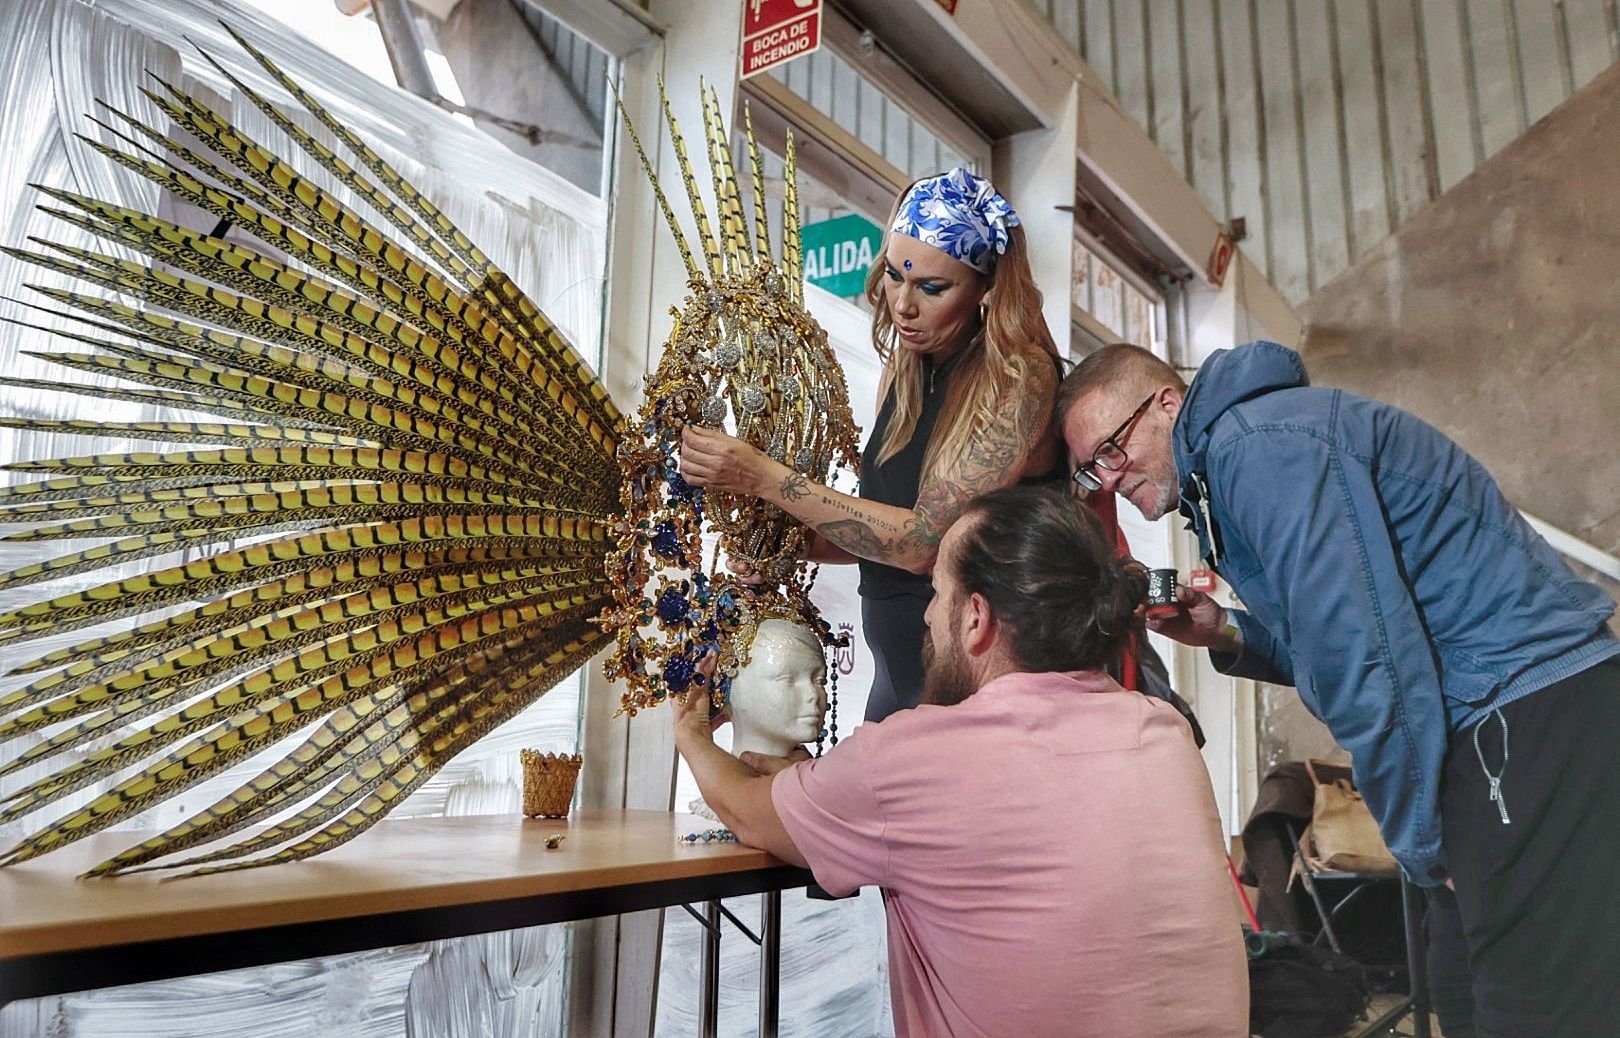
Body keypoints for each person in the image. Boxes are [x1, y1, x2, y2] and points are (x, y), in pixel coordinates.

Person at [1057, 340, 1620, 1037]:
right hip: (1491, 725)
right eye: (1090, 469)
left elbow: (1368, 663)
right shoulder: (1230, 470)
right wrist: (1227, 634)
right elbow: (1340, 640)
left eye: (1111, 449)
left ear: (1167, 403)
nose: (1107, 479)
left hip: (1524, 718)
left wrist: (1421, 844)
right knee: (1460, 989)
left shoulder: (1257, 451)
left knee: (1534, 1011)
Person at [671, 484, 1248, 1038]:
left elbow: (749, 813)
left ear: (976, 617)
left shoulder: (915, 759)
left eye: (937, 594)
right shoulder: (1164, 732)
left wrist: (693, 733)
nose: (926, 618)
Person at [680, 167, 1061, 721]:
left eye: (932, 288)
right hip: (898, 668)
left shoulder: (1016, 379)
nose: (903, 304)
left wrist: (765, 477)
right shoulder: (909, 368)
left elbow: (920, 544)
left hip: (977, 681)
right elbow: (880, 534)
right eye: (894, 276)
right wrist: (791, 546)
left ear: (986, 290)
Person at [685, 615, 827, 823]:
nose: (813, 694)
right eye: (787, 679)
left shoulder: (825, 795)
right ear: (729, 691)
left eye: (819, 680)